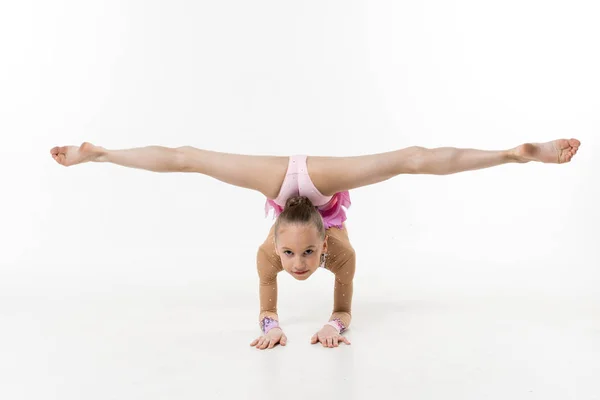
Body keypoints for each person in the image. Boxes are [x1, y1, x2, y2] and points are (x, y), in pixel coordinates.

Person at [50, 138, 581, 350]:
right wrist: (275, 325)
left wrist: (332, 322)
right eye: (291, 255)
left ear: (327, 241)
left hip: (302, 177)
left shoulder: (338, 252)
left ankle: (517, 154)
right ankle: (98, 154)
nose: (299, 266)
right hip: (288, 178)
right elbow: (269, 307)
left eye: (307, 254)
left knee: (411, 159)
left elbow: (343, 306)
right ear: (275, 242)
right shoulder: (269, 253)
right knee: (188, 156)